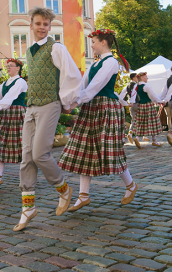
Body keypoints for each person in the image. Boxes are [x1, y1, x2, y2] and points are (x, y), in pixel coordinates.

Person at [14, 7, 81, 232]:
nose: (42, 27)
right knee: (26, 157)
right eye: (38, 24)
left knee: (40, 154)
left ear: (50, 26)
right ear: (31, 25)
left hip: (49, 104)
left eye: (46, 24)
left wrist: (66, 101)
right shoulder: (29, 52)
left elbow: (71, 74)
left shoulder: (56, 48)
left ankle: (63, 189)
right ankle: (28, 207)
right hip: (31, 107)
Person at [58, 29, 138, 211]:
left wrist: (76, 101)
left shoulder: (111, 63)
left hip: (105, 108)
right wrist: (69, 100)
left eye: (94, 41)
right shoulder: (96, 64)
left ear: (103, 42)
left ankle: (131, 185)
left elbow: (95, 86)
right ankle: (83, 195)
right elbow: (82, 85)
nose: (91, 45)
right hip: (91, 108)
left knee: (110, 150)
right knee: (85, 150)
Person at [0, 58, 28, 190]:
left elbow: (10, 97)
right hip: (5, 114)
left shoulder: (21, 82)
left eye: (11, 66)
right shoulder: (4, 84)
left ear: (18, 68)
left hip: (16, 114)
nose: (8, 68)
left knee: (22, 147)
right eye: (7, 66)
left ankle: (25, 179)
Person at [130, 72, 165, 147]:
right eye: (146, 77)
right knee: (152, 122)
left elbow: (133, 95)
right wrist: (161, 101)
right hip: (148, 106)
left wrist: (131, 102)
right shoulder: (146, 86)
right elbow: (153, 96)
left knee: (141, 122)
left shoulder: (136, 86)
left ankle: (137, 138)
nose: (147, 78)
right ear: (142, 78)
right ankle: (154, 141)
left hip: (141, 106)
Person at [121, 73, 142, 149]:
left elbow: (122, 95)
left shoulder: (127, 86)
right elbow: (135, 94)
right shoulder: (136, 85)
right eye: (136, 77)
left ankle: (130, 133)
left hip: (131, 105)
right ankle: (137, 137)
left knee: (133, 120)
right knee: (140, 121)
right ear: (134, 78)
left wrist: (125, 103)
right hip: (137, 103)